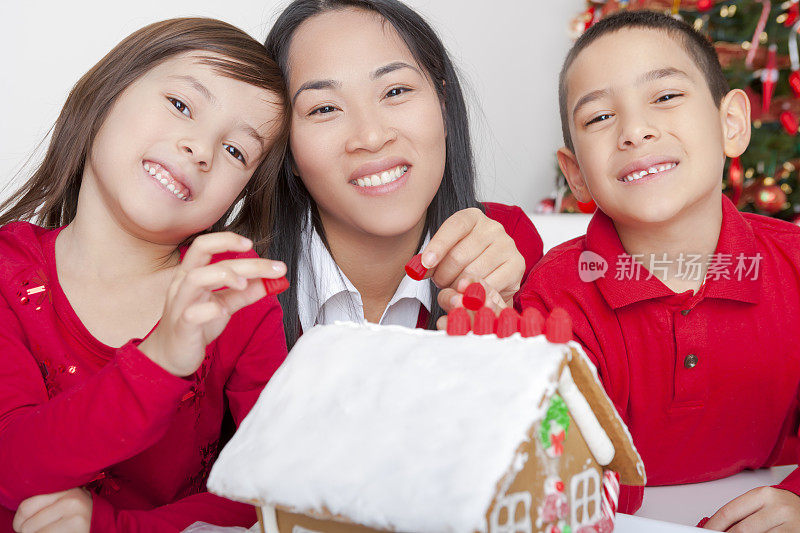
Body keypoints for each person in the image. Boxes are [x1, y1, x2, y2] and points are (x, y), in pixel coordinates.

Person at [0, 18, 289, 532]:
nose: (201, 149)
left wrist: (114, 527)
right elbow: (9, 465)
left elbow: (276, 489)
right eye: (182, 105)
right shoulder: (7, 271)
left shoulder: (232, 300)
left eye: (235, 151)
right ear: (107, 92)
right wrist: (159, 362)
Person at [518, 10, 800, 530]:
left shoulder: (794, 265)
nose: (635, 131)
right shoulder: (558, 295)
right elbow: (559, 474)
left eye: (665, 97)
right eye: (600, 117)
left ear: (730, 124)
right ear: (577, 175)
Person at [262, 0, 544, 348]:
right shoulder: (233, 282)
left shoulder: (505, 245)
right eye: (324, 108)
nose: (371, 136)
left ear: (443, 104)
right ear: (284, 146)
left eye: (395, 91)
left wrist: (506, 337)